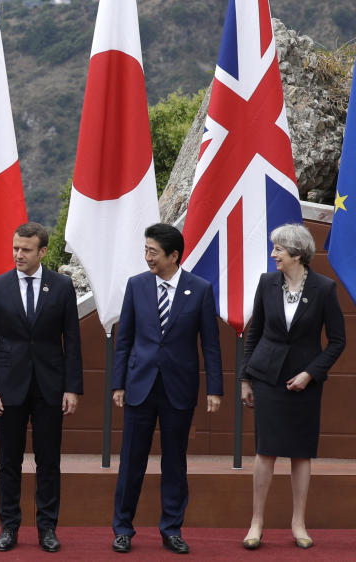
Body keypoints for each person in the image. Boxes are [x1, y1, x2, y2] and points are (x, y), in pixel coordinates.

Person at [110, 223, 223, 555]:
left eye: (153, 252)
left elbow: (212, 345)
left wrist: (214, 389)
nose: (147, 257)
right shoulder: (137, 286)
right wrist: (118, 383)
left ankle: (171, 529)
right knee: (132, 461)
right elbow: (124, 340)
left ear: (173, 255)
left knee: (175, 462)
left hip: (179, 389)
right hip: (139, 386)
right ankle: (122, 528)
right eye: (145, 250)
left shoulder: (200, 289)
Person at [0, 222, 83, 553]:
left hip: (50, 388)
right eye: (15, 248)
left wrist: (72, 387)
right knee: (8, 461)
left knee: (48, 461)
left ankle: (47, 528)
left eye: (25, 249)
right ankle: (9, 527)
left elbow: (74, 342)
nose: (18, 254)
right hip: (8, 388)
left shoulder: (62, 286)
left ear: (42, 251)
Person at [238, 223, 345, 550]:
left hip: (304, 383)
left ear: (297, 253)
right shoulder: (266, 283)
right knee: (265, 450)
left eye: (278, 250)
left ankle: (298, 522)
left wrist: (310, 374)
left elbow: (337, 341)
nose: (273, 255)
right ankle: (256, 522)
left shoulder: (325, 289)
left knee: (301, 453)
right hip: (267, 377)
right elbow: (253, 333)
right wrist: (245, 378)